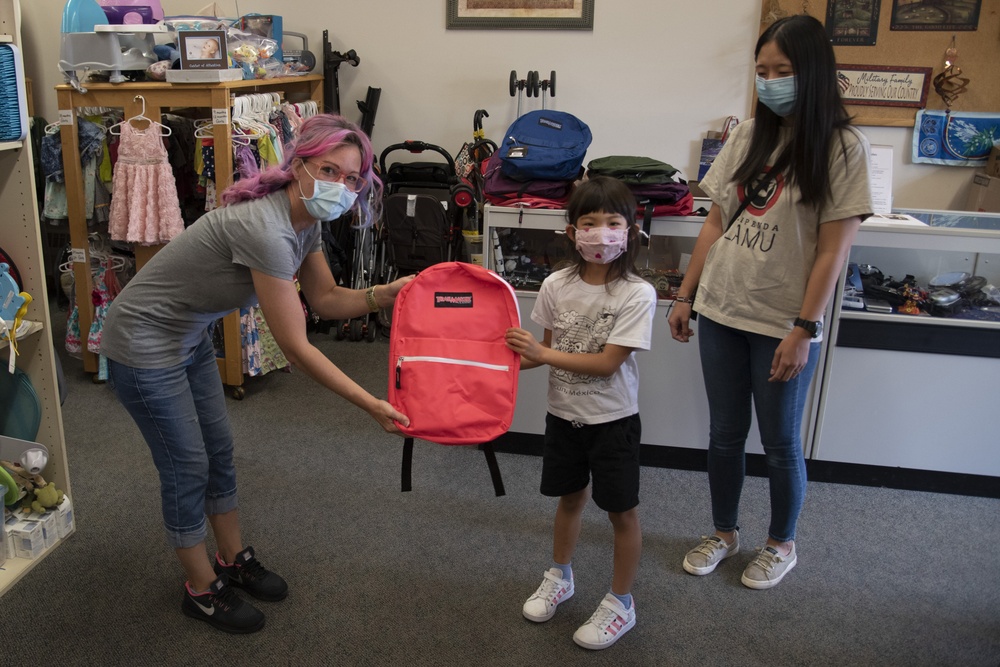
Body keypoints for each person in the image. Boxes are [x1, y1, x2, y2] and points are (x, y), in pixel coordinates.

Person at [100, 114, 413, 634]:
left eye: (352, 178)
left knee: (218, 450)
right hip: (142, 343)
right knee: (187, 466)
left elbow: (327, 299)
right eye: (329, 170)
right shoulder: (265, 229)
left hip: (189, 336)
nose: (341, 186)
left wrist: (388, 292)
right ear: (298, 167)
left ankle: (230, 558)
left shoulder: (303, 221)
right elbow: (295, 345)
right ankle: (200, 591)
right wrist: (372, 404)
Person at [667, 14, 873, 590]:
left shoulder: (842, 147)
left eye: (782, 70)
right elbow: (715, 222)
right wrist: (686, 294)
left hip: (783, 319)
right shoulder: (746, 136)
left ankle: (781, 543)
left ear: (814, 72)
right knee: (725, 433)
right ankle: (724, 532)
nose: (770, 81)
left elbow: (834, 251)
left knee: (781, 440)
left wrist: (804, 327)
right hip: (723, 307)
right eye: (762, 71)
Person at [505, 176, 657, 650]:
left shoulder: (637, 293)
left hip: (613, 422)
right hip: (562, 416)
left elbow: (608, 363)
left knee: (621, 512)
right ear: (572, 231)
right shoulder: (555, 285)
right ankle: (561, 575)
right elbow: (542, 351)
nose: (601, 232)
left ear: (630, 231)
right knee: (569, 498)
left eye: (613, 222)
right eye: (589, 223)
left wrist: (542, 356)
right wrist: (493, 362)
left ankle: (621, 603)